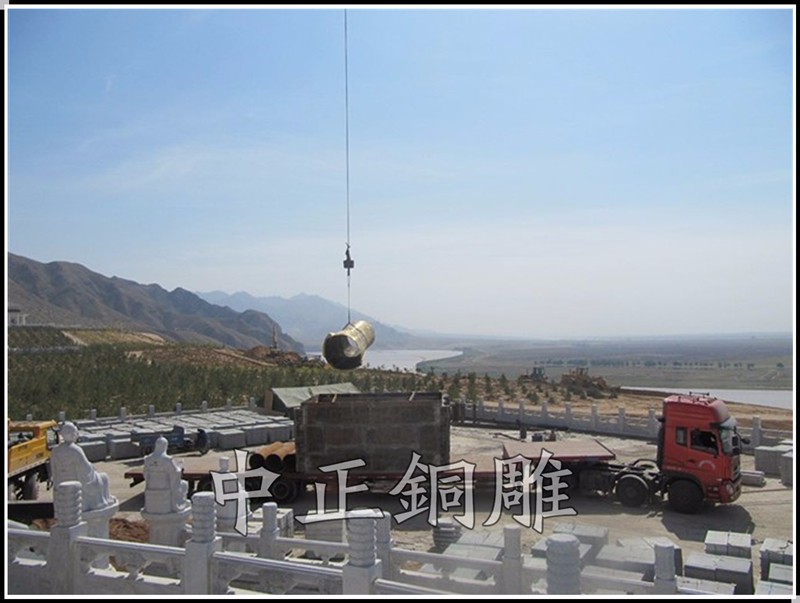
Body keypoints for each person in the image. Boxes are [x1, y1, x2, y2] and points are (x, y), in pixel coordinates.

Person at [50, 421, 117, 511]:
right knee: (104, 477)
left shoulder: (55, 451)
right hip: (78, 483)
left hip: (61, 483)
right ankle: (101, 502)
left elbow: (53, 471)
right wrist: (92, 467)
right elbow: (85, 470)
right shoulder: (75, 450)